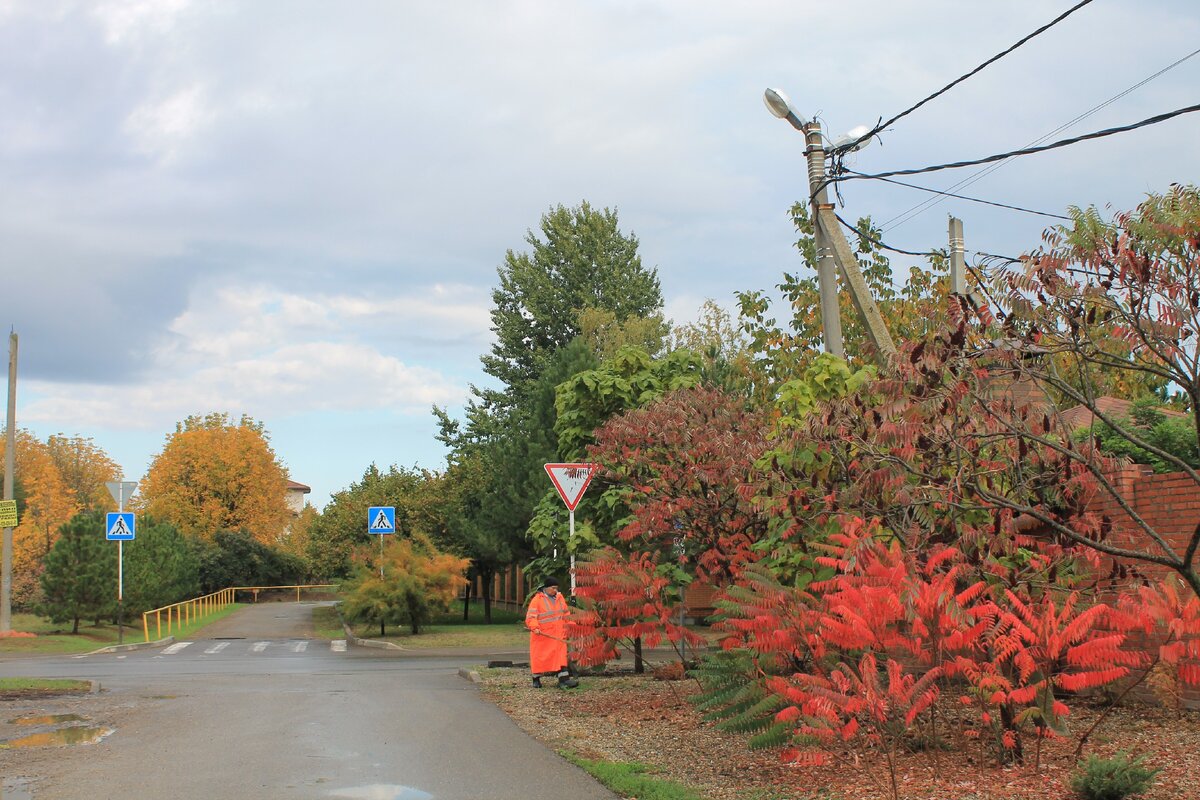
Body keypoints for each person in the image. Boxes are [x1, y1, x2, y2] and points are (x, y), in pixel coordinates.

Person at [524, 577, 578, 689]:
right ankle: (536, 679)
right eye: (553, 588)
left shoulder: (560, 598)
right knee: (539, 658)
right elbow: (531, 617)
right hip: (542, 636)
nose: (555, 590)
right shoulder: (537, 600)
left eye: (556, 588)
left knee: (561, 657)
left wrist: (572, 625)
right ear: (546, 588)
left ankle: (563, 680)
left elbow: (566, 614)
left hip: (558, 635)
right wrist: (535, 627)